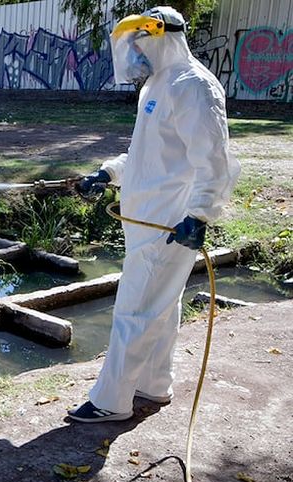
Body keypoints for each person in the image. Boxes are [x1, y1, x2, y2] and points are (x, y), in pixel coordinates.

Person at [68, 6, 240, 423]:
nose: (136, 55)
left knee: (134, 308)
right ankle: (154, 384)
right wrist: (108, 173)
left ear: (159, 38)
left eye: (140, 45)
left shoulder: (194, 86)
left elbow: (214, 161)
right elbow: (147, 154)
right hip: (147, 222)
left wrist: (199, 215)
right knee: (160, 306)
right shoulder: (159, 84)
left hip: (169, 224)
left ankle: (111, 401)